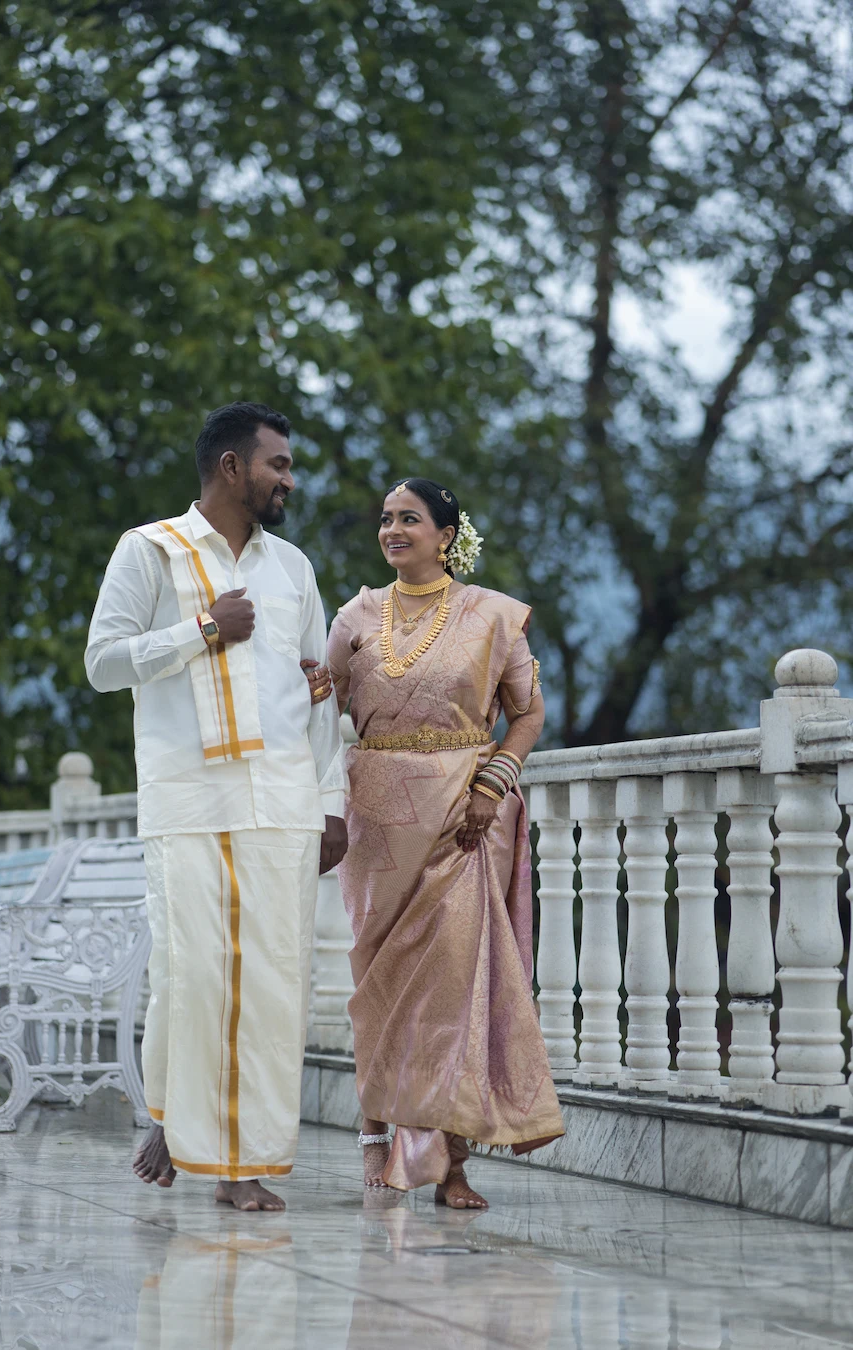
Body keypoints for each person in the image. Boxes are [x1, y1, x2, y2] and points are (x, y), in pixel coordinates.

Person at [85, 401, 347, 1212]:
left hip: (282, 800)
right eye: (278, 465)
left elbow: (319, 692)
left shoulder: (293, 568)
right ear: (231, 467)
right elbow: (102, 663)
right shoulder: (149, 551)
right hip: (189, 799)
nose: (289, 481)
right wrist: (202, 628)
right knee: (191, 978)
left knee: (272, 985)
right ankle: (178, 1119)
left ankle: (243, 1164)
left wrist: (331, 799)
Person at [325, 477, 564, 1209]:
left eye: (411, 519)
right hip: (378, 828)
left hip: (464, 817)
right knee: (380, 986)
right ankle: (376, 1139)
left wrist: (495, 784)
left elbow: (528, 713)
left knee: (455, 990)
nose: (394, 530)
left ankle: (452, 1163)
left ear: (446, 535)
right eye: (387, 519)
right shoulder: (355, 615)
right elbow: (314, 701)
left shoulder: (493, 616)